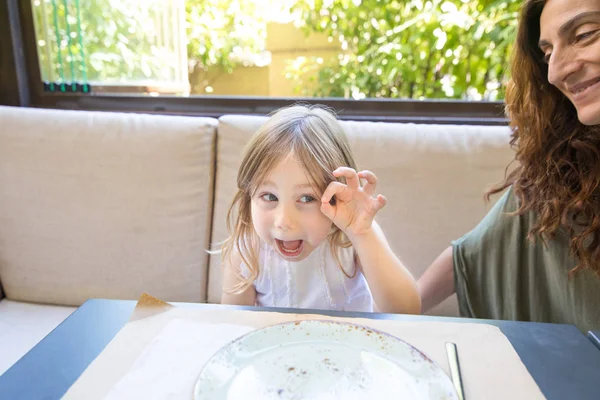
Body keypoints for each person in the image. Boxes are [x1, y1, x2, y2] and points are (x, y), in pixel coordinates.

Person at [418, 0, 600, 332]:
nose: (557, 70)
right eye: (547, 55)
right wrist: (379, 317)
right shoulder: (560, 177)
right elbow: (470, 258)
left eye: (585, 34)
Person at [220, 105, 420, 314]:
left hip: (347, 344)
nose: (284, 221)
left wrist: (362, 235)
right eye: (270, 197)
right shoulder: (247, 249)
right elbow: (232, 324)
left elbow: (407, 310)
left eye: (307, 198)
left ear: (337, 195)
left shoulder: (352, 236)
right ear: (248, 195)